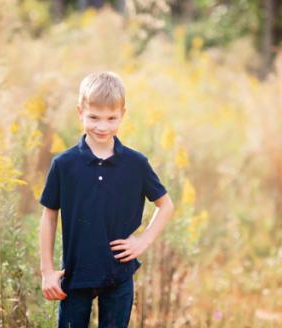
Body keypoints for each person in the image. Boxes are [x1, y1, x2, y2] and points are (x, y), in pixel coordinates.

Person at [38, 71, 174, 327]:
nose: (102, 126)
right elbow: (49, 215)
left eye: (112, 118)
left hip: (119, 275)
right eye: (94, 117)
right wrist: (47, 272)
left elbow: (166, 205)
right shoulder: (64, 164)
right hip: (75, 274)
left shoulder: (136, 163)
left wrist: (142, 241)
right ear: (80, 112)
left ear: (123, 114)